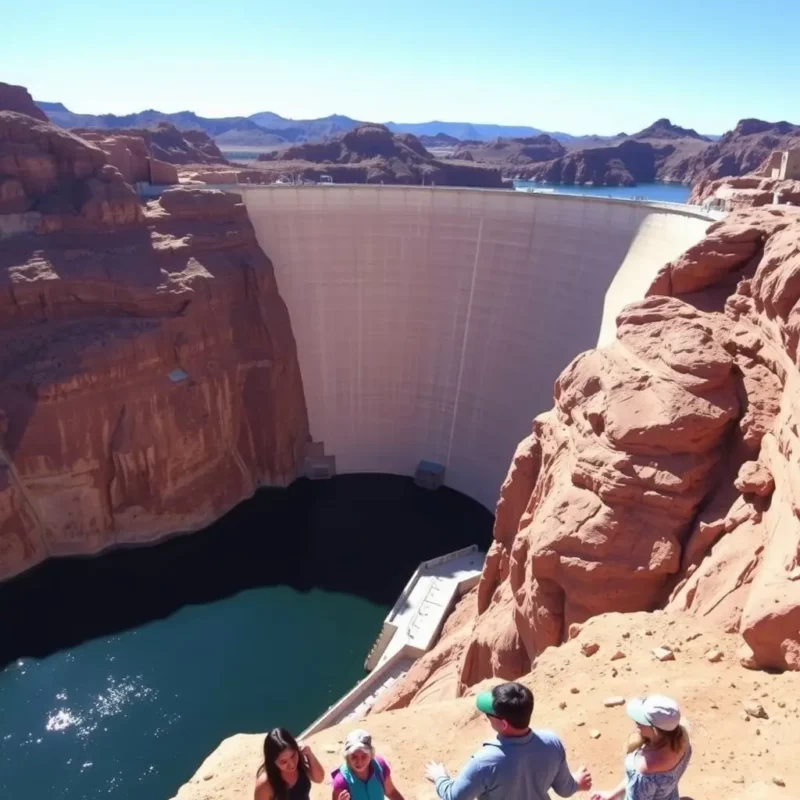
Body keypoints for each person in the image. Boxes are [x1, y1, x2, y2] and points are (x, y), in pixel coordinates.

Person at [425, 681, 592, 800]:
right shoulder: (552, 743)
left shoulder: (484, 762)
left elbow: (455, 796)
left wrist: (440, 777)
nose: (486, 717)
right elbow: (564, 790)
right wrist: (577, 783)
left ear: (503, 723)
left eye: (488, 714)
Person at [590, 695, 691, 800]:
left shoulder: (646, 767)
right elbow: (634, 779)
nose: (636, 724)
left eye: (639, 721)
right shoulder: (682, 742)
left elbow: (638, 781)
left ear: (654, 729)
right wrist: (613, 794)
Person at [332, 729, 405, 800]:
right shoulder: (341, 781)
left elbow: (390, 791)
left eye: (364, 756)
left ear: (371, 755)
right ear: (347, 756)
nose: (359, 762)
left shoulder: (380, 767)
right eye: (354, 756)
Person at [255, 727, 325, 800]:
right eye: (283, 762)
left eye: (293, 755)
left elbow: (319, 778)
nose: (292, 764)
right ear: (273, 761)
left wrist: (309, 754)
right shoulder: (265, 784)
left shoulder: (300, 765)